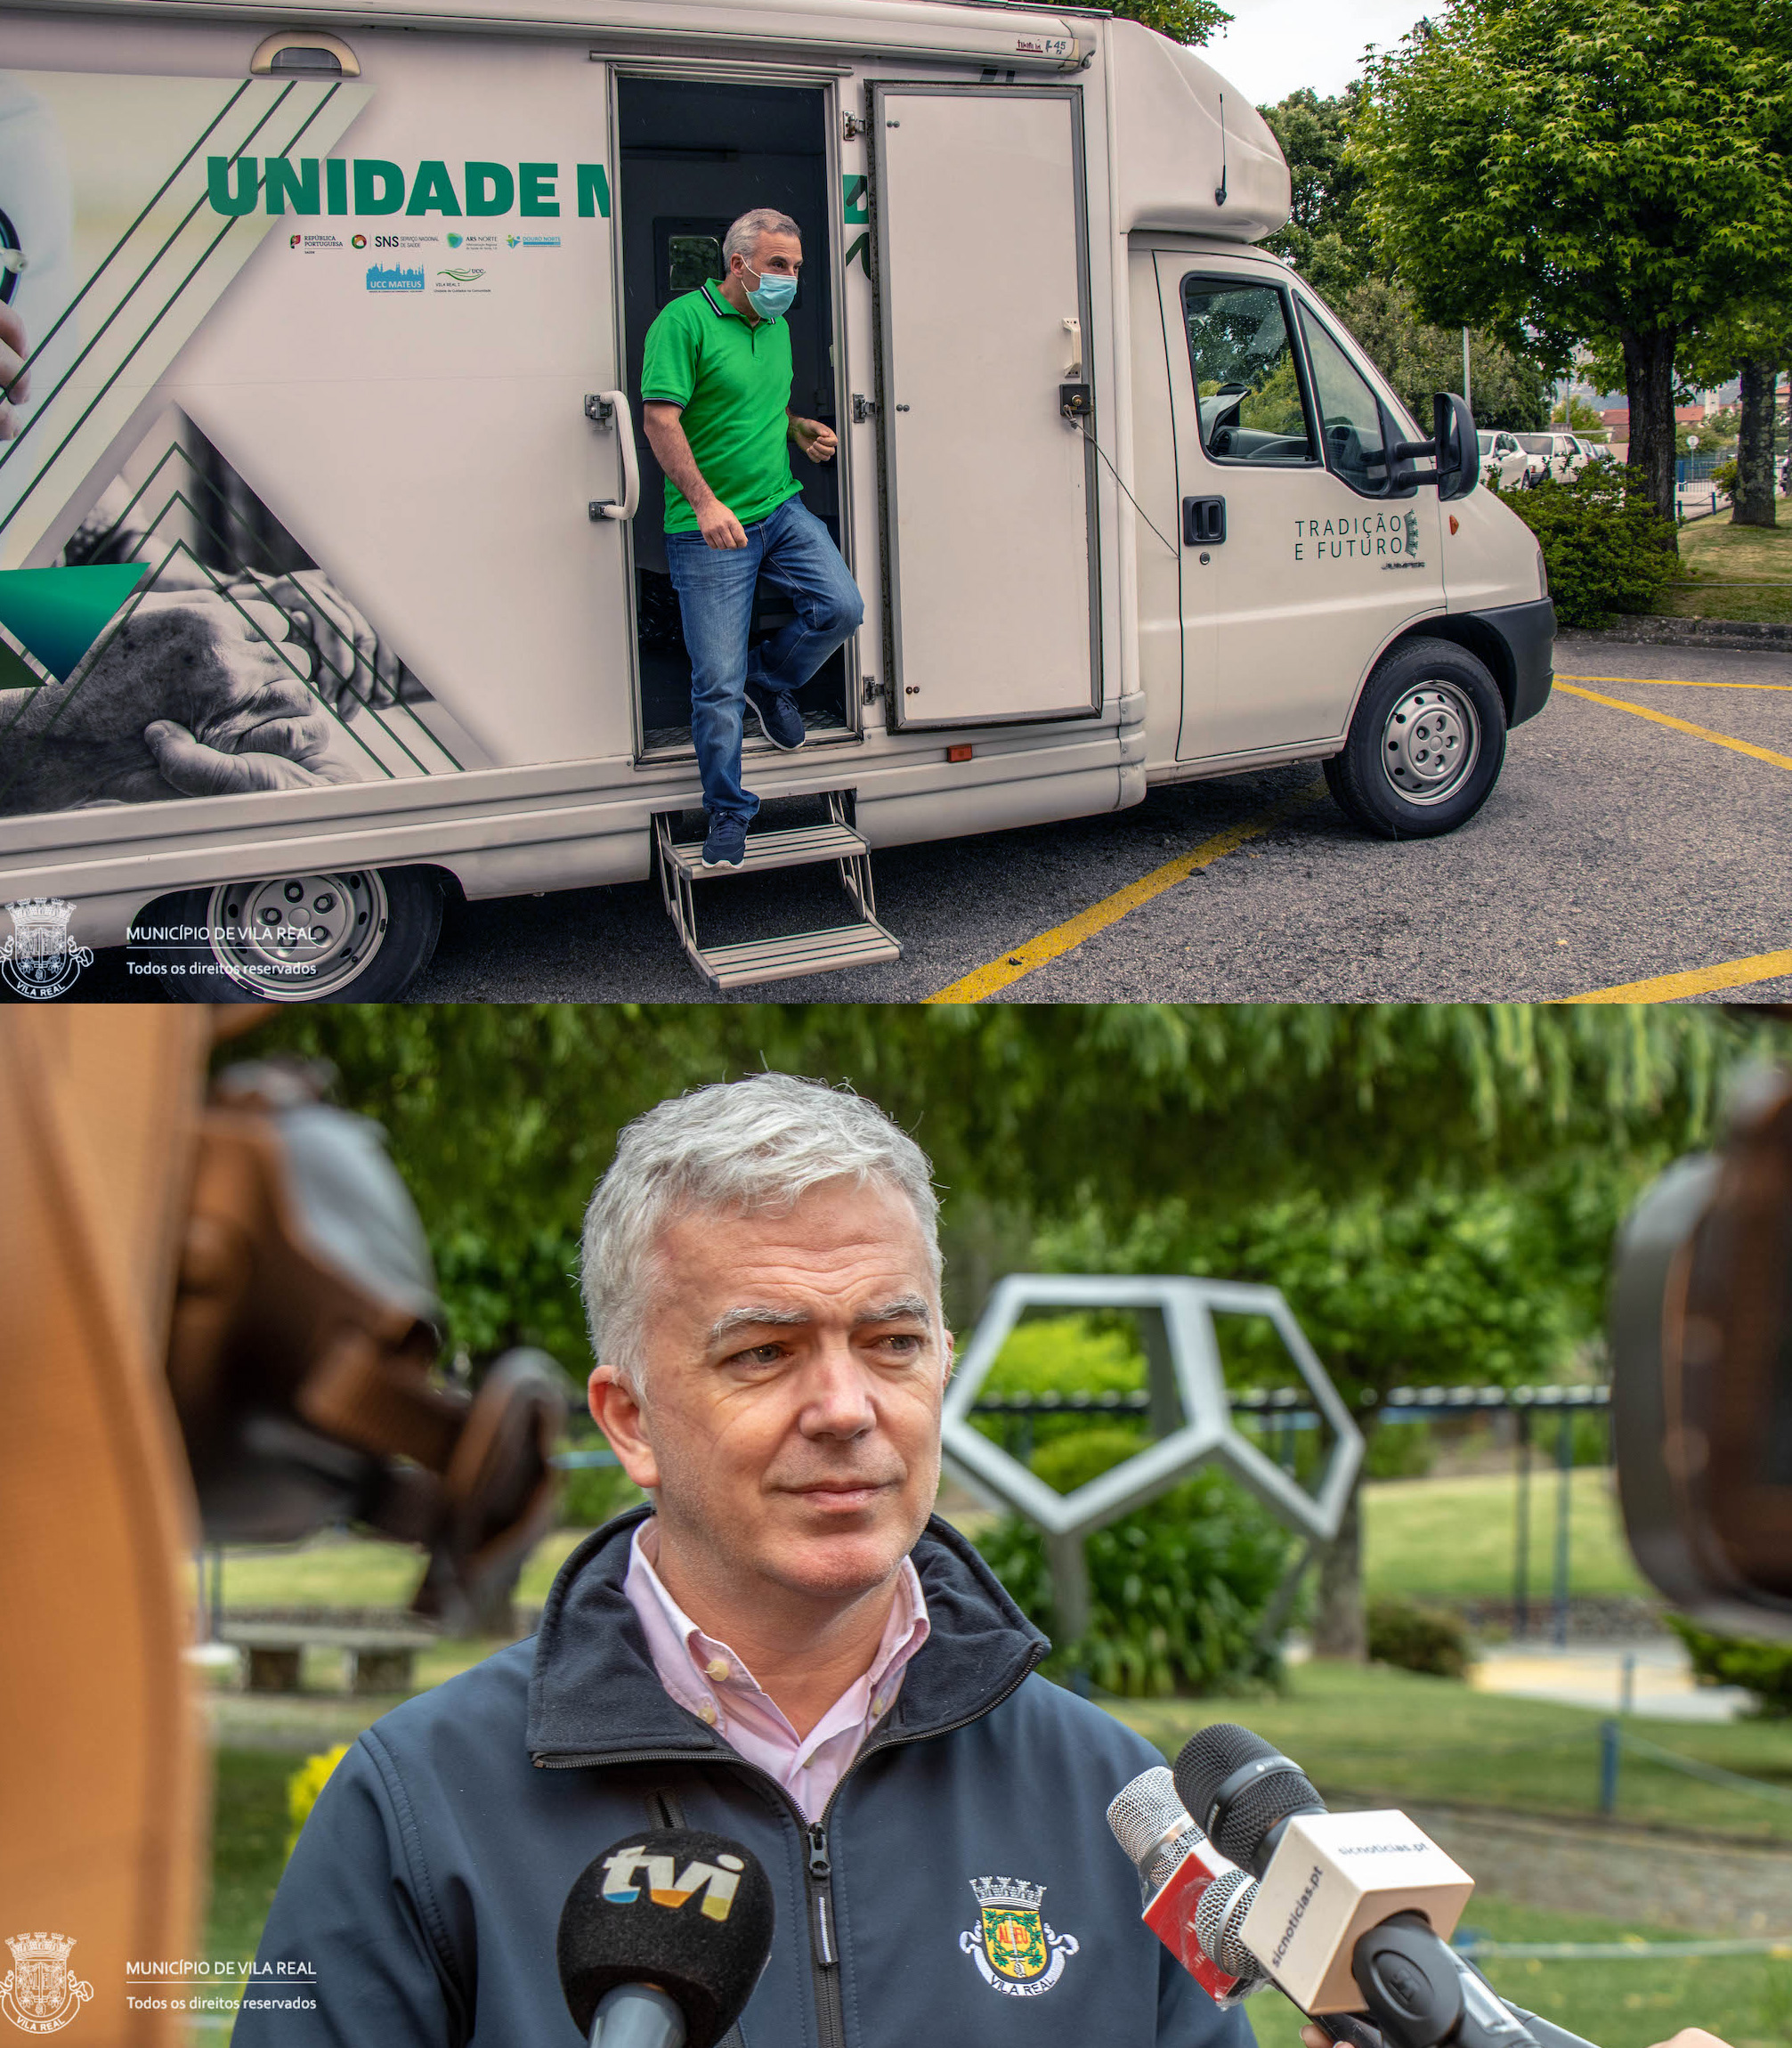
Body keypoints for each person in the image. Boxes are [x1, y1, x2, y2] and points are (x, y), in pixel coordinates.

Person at [236, 1074, 1251, 2048]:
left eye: (892, 1341)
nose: (847, 1409)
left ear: (944, 1360)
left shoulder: (1118, 1799)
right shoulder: (418, 1804)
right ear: (629, 1421)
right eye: (763, 1352)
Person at [640, 209, 864, 871]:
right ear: (738, 264)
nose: (789, 280)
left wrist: (796, 428)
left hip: (778, 506)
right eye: (777, 266)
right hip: (708, 528)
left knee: (840, 608)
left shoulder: (777, 325)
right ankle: (730, 810)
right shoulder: (682, 323)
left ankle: (771, 680)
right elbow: (660, 419)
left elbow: (756, 405)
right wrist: (704, 502)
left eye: (795, 268)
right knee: (715, 681)